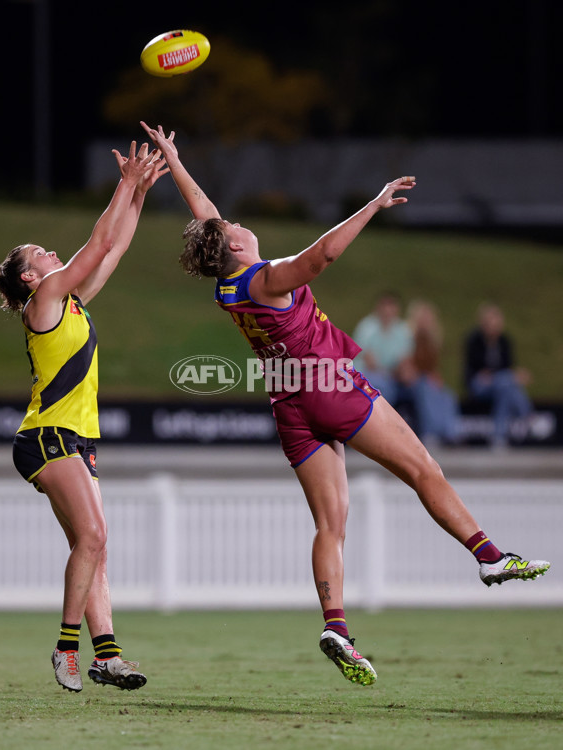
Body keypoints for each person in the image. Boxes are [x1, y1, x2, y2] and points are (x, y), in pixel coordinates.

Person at [141, 121, 550, 686]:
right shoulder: (265, 280)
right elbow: (321, 256)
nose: (232, 221)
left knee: (330, 524)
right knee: (423, 470)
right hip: (328, 386)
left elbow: (205, 212)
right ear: (235, 247)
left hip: (288, 403)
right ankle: (489, 556)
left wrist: (175, 160)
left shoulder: (226, 285)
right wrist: (373, 205)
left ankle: (336, 626)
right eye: (231, 226)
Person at [0, 141, 168, 693]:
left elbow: (111, 250)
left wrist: (138, 191)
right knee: (93, 535)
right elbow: (95, 244)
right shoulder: (42, 301)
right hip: (45, 437)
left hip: (74, 438)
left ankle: (107, 655)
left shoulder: (69, 302)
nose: (50, 255)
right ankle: (67, 649)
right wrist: (124, 184)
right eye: (40, 253)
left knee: (92, 547)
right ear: (28, 278)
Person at [464, 302, 534, 448]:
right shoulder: (474, 340)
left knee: (504, 389)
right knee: (508, 381)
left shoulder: (504, 341)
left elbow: (507, 366)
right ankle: (526, 413)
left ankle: (498, 436)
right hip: (479, 384)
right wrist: (511, 376)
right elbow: (474, 370)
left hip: (499, 384)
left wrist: (501, 376)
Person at [406, 299, 461, 446]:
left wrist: (435, 377)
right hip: (413, 380)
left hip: (425, 378)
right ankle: (429, 432)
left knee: (448, 395)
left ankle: (450, 432)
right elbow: (407, 363)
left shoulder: (433, 340)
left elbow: (432, 366)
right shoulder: (408, 337)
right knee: (425, 390)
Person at [351, 291, 413, 406]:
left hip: (392, 375)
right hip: (367, 373)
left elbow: (405, 360)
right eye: (385, 305)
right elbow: (369, 360)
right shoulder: (367, 327)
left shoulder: (403, 330)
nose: (387, 310)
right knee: (381, 384)